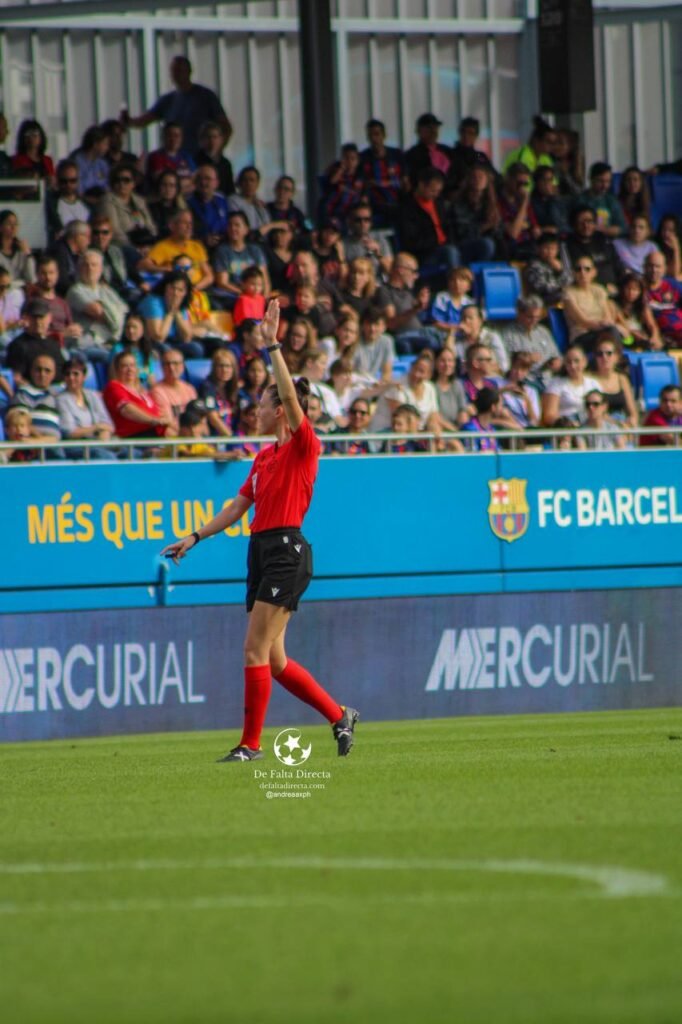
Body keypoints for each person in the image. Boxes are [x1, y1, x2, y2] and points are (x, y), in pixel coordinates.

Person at [162, 300, 359, 761]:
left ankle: (250, 746)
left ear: (282, 412)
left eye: (262, 404)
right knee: (274, 660)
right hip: (262, 549)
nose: (256, 411)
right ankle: (340, 715)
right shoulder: (264, 457)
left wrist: (272, 344)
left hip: (287, 550)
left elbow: (293, 399)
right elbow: (237, 507)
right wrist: (194, 537)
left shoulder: (303, 446)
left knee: (253, 650)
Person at [121, 55, 231, 157]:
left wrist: (216, 151)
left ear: (189, 72)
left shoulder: (205, 96)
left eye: (180, 71)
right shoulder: (168, 100)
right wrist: (129, 121)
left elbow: (225, 126)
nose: (177, 75)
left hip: (200, 157)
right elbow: (145, 120)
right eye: (174, 71)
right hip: (177, 158)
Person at [398, 167, 459, 271]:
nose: (436, 194)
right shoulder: (408, 208)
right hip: (425, 254)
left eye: (438, 191)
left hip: (447, 245)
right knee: (451, 251)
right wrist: (435, 241)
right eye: (432, 190)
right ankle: (457, 281)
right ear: (421, 185)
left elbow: (448, 226)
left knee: (485, 245)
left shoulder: (439, 203)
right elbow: (412, 241)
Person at [56, 355, 117, 459]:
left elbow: (108, 424)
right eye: (67, 374)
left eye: (75, 374)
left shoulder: (92, 395)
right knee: (105, 456)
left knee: (130, 453)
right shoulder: (61, 399)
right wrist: (97, 427)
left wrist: (104, 434)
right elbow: (71, 432)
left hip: (98, 442)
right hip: (75, 446)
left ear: (83, 377)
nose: (71, 377)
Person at [103, 350, 173, 439]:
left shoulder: (143, 391)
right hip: (134, 438)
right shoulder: (114, 387)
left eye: (132, 365)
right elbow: (127, 410)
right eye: (124, 366)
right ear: (117, 369)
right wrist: (154, 421)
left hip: (156, 435)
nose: (129, 369)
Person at [139, 209, 213, 291]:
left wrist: (194, 289)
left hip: (198, 290)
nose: (189, 227)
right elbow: (142, 265)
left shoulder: (197, 246)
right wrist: (165, 269)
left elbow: (209, 276)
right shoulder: (163, 246)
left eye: (191, 223)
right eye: (185, 223)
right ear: (172, 226)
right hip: (176, 292)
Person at [137, 270, 204, 359]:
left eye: (180, 290)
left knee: (196, 348)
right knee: (166, 350)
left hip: (173, 342)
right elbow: (158, 337)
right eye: (172, 288)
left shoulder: (181, 305)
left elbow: (186, 337)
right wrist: (170, 313)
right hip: (152, 344)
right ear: (166, 287)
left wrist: (177, 312)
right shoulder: (153, 301)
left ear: (185, 293)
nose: (176, 293)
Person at [562, 256, 622, 352]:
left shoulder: (599, 290)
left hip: (602, 331)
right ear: (573, 273)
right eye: (578, 269)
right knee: (611, 332)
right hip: (582, 336)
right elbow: (583, 321)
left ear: (594, 272)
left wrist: (608, 325)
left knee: (614, 332)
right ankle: (618, 360)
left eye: (587, 269)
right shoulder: (568, 293)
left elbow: (607, 316)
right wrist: (604, 325)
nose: (582, 272)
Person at [370, 352, 440, 433]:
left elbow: (434, 414)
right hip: (387, 434)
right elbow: (402, 419)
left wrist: (433, 426)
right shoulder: (397, 385)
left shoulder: (430, 388)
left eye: (421, 371)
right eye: (415, 369)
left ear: (429, 375)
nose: (416, 374)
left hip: (417, 434)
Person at [561, 205, 621, 296]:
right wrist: (602, 287)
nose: (586, 225)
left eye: (589, 221)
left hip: (614, 289)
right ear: (573, 224)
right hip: (586, 292)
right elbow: (569, 274)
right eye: (581, 222)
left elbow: (618, 266)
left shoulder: (604, 240)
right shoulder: (567, 245)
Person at [5, 297, 64, 384]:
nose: (38, 322)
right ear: (26, 318)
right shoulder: (18, 345)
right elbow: (17, 378)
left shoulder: (53, 344)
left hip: (58, 390)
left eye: (41, 317)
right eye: (34, 318)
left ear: (49, 318)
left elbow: (63, 370)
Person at [213, 211, 270, 300]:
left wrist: (264, 300)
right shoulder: (222, 251)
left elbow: (264, 280)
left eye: (237, 225)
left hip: (255, 295)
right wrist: (244, 294)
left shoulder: (255, 250)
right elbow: (222, 282)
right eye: (230, 225)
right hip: (234, 296)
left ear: (246, 229)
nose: (233, 228)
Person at [95, 163, 156, 247]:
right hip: (121, 245)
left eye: (126, 180)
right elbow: (114, 231)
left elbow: (150, 225)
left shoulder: (139, 200)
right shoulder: (107, 201)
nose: (121, 184)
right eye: (117, 180)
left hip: (144, 242)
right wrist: (134, 246)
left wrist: (151, 240)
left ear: (133, 183)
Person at [449, 165, 500, 262]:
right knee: (487, 244)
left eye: (481, 177)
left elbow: (497, 233)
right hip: (462, 245)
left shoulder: (491, 204)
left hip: (486, 243)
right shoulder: (459, 203)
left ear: (486, 181)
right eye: (474, 177)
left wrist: (495, 226)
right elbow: (461, 232)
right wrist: (485, 226)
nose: (477, 180)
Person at [501, 294, 562, 375]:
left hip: (548, 377)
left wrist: (556, 361)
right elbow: (508, 361)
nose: (534, 321)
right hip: (525, 378)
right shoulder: (508, 333)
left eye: (538, 317)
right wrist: (526, 358)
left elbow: (556, 354)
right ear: (519, 313)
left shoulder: (543, 332)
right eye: (530, 317)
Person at [541, 344, 601, 425]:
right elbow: (549, 416)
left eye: (576, 361)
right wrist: (568, 424)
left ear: (585, 362)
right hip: (566, 428)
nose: (573, 366)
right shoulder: (556, 384)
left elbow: (602, 411)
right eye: (569, 362)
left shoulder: (594, 384)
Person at [358, 119, 405, 224]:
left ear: (383, 135)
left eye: (377, 134)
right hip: (374, 203)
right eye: (370, 135)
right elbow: (360, 183)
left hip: (396, 200)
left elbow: (405, 181)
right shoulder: (363, 158)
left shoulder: (396, 155)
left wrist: (383, 183)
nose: (374, 139)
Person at [591, 336, 639, 427]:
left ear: (617, 357)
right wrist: (618, 425)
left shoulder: (622, 379)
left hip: (621, 422)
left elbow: (632, 411)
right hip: (600, 425)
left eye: (609, 353)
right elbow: (594, 412)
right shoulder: (590, 379)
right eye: (600, 354)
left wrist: (632, 422)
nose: (604, 357)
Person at [497, 162, 540, 260]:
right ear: (508, 179)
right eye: (519, 183)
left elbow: (535, 229)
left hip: (529, 243)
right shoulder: (498, 202)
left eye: (526, 184)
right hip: (511, 247)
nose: (522, 187)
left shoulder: (522, 199)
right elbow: (513, 233)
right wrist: (524, 203)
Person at [150, 348, 198, 433]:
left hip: (192, 435)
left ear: (183, 366)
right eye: (167, 364)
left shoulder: (190, 389)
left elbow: (198, 417)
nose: (171, 368)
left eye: (175, 363)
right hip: (175, 438)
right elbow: (168, 421)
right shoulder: (157, 391)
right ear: (161, 367)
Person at [342, 201, 393, 279]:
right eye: (358, 220)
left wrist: (378, 254)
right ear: (350, 222)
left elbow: (390, 271)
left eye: (367, 219)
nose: (363, 223)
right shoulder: (343, 244)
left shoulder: (380, 239)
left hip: (377, 285)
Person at [447, 116, 496, 195]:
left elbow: (493, 175)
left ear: (476, 136)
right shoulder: (450, 155)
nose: (466, 136)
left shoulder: (479, 156)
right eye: (463, 132)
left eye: (470, 133)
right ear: (459, 133)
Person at [613, 271, 661, 350]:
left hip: (640, 335)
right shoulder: (614, 305)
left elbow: (652, 325)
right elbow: (622, 323)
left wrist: (654, 337)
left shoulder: (643, 306)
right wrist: (635, 334)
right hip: (626, 337)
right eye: (628, 288)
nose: (631, 292)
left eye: (635, 290)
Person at [45, 160, 90, 243]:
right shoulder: (51, 204)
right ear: (58, 181)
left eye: (72, 180)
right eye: (64, 181)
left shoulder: (87, 205)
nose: (68, 184)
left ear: (78, 180)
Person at [456, 305, 509, 377]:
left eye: (470, 318)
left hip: (491, 379)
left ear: (480, 321)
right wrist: (452, 332)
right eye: (463, 318)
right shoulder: (458, 341)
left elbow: (504, 365)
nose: (466, 321)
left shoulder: (492, 337)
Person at [524, 232, 574, 306]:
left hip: (559, 296)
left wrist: (560, 271)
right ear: (538, 248)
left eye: (553, 249)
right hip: (541, 300)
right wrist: (561, 288)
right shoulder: (534, 266)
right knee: (568, 297)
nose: (550, 252)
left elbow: (570, 280)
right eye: (546, 248)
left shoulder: (557, 264)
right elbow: (542, 288)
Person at [643, 250, 682, 345]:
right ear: (644, 267)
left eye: (658, 266)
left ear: (664, 268)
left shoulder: (673, 285)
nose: (654, 270)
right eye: (650, 266)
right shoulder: (639, 288)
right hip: (659, 334)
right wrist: (655, 335)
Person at [187, 164, 230, 250]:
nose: (203, 182)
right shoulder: (187, 203)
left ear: (216, 183)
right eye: (199, 179)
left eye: (207, 179)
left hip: (223, 247)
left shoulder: (222, 201)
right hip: (197, 247)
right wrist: (203, 239)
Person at [146, 121, 196, 194]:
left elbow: (195, 181)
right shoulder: (155, 157)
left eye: (176, 136)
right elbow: (164, 183)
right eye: (169, 135)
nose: (173, 139)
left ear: (181, 138)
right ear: (163, 137)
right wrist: (186, 184)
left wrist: (176, 187)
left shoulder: (186, 157)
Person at [199, 347, 240, 435]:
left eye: (228, 366)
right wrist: (231, 438)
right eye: (221, 366)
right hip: (216, 438)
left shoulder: (235, 389)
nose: (224, 370)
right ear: (214, 368)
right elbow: (212, 418)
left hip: (236, 435)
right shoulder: (207, 387)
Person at [404, 113, 451, 188]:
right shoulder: (412, 155)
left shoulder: (447, 151)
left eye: (435, 127)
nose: (433, 131)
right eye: (429, 128)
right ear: (419, 131)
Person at [579, 162, 626, 238]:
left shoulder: (611, 200)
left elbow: (623, 228)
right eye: (600, 181)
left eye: (608, 181)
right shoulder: (580, 200)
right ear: (591, 178)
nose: (605, 185)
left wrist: (599, 229)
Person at [320, 143, 365, 224]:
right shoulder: (335, 171)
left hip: (351, 213)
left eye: (353, 158)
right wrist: (341, 169)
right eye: (346, 158)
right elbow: (331, 182)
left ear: (358, 160)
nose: (350, 161)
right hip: (333, 211)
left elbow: (364, 198)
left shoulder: (361, 176)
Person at [500, 351, 541, 429]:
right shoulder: (498, 383)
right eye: (516, 368)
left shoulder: (531, 391)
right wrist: (503, 390)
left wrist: (527, 401)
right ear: (511, 366)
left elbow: (535, 421)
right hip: (506, 426)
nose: (518, 372)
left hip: (525, 428)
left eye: (523, 370)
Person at [353, 307, 395, 382]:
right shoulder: (354, 341)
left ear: (384, 327)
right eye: (369, 324)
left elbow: (387, 372)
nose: (372, 328)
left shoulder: (387, 341)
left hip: (372, 383)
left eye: (376, 324)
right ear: (362, 325)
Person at [195, 121, 234, 198]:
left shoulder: (225, 163)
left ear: (221, 140)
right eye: (209, 137)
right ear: (202, 139)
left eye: (215, 137)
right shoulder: (195, 160)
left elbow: (230, 189)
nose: (212, 140)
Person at [11, 119, 56, 186]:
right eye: (28, 135)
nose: (31, 138)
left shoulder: (48, 160)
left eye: (35, 134)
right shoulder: (16, 160)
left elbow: (53, 180)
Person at [432, 347, 468, 429]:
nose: (447, 364)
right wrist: (453, 430)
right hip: (439, 429)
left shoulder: (457, 385)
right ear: (435, 362)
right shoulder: (431, 386)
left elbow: (462, 411)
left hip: (456, 429)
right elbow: (434, 415)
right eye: (442, 361)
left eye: (450, 361)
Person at [147, 169, 188, 240]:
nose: (168, 189)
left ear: (177, 189)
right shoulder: (150, 208)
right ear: (159, 187)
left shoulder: (182, 210)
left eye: (172, 185)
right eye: (164, 185)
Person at [430, 267, 475, 332]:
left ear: (469, 286)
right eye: (453, 280)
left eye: (462, 280)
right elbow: (437, 324)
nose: (457, 283)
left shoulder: (470, 303)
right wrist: (456, 328)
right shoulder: (442, 298)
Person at [72, 125, 111, 198]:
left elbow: (107, 186)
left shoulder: (102, 164)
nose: (107, 148)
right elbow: (78, 189)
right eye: (105, 144)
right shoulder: (77, 162)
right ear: (95, 144)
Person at [461, 386, 503, 451]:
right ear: (493, 407)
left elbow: (498, 451)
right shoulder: (470, 428)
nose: (501, 409)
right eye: (500, 405)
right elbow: (472, 456)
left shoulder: (492, 429)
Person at [0, 210, 35, 288]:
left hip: (20, 290)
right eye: (9, 224)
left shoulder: (21, 249)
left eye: (16, 224)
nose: (13, 227)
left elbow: (31, 278)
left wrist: (28, 254)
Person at [530, 165, 569, 235]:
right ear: (537, 182)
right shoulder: (532, 202)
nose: (548, 184)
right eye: (544, 180)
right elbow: (550, 221)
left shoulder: (558, 200)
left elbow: (565, 226)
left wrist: (553, 198)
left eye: (550, 180)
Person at [655, 215, 682, 281]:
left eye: (671, 230)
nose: (666, 233)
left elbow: (676, 274)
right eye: (664, 229)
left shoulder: (679, 244)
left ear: (676, 232)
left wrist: (676, 249)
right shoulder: (654, 244)